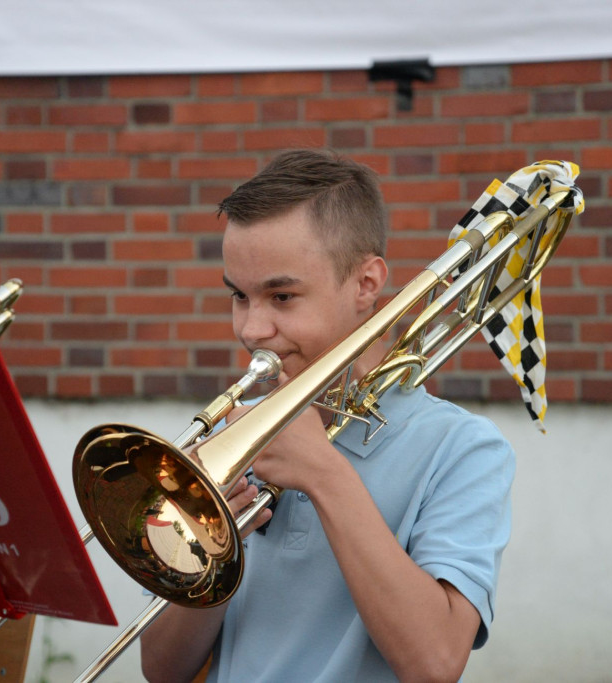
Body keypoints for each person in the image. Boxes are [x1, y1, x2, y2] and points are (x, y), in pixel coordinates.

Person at [140, 149, 515, 682]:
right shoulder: (239, 431)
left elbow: (434, 664)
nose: (251, 329)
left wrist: (322, 471)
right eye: (239, 296)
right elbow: (160, 669)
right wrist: (210, 549)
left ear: (366, 285)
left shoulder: (464, 449)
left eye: (283, 295)